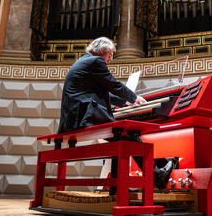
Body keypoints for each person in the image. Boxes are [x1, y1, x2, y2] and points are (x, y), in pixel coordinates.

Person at [58, 37, 174, 194]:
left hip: (74, 119)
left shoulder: (84, 61)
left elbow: (101, 91)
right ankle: (156, 176)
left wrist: (124, 102)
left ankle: (118, 187)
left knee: (122, 136)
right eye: (110, 54)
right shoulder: (95, 61)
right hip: (83, 117)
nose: (110, 59)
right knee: (130, 135)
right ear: (102, 51)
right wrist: (133, 97)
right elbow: (113, 84)